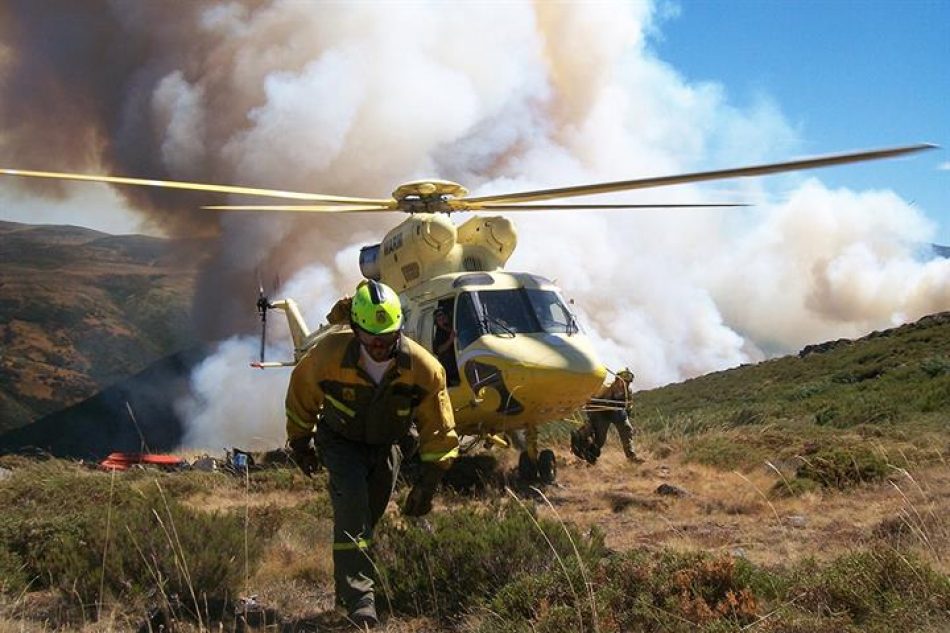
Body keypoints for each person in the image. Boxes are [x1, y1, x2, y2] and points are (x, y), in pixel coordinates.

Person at [286, 280, 459, 628]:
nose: (380, 346)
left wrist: (429, 482)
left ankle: (345, 590)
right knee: (352, 507)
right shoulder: (329, 355)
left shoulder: (423, 369)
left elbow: (439, 428)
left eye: (388, 337)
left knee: (368, 519)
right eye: (371, 338)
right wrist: (301, 443)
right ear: (355, 329)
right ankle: (360, 603)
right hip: (340, 441)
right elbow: (301, 398)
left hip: (387, 446)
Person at [571, 368, 642, 464]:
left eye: (628, 382)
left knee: (627, 429)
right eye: (624, 381)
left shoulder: (627, 392)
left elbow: (628, 405)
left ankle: (631, 456)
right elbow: (591, 401)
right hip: (601, 413)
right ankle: (589, 456)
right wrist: (593, 416)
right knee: (600, 438)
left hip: (617, 413)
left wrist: (626, 414)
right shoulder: (606, 387)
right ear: (617, 380)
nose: (625, 384)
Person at [432, 307, 460, 386]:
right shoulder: (439, 334)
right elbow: (439, 350)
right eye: (439, 320)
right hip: (450, 369)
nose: (443, 321)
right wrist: (450, 340)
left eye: (444, 318)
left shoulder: (454, 326)